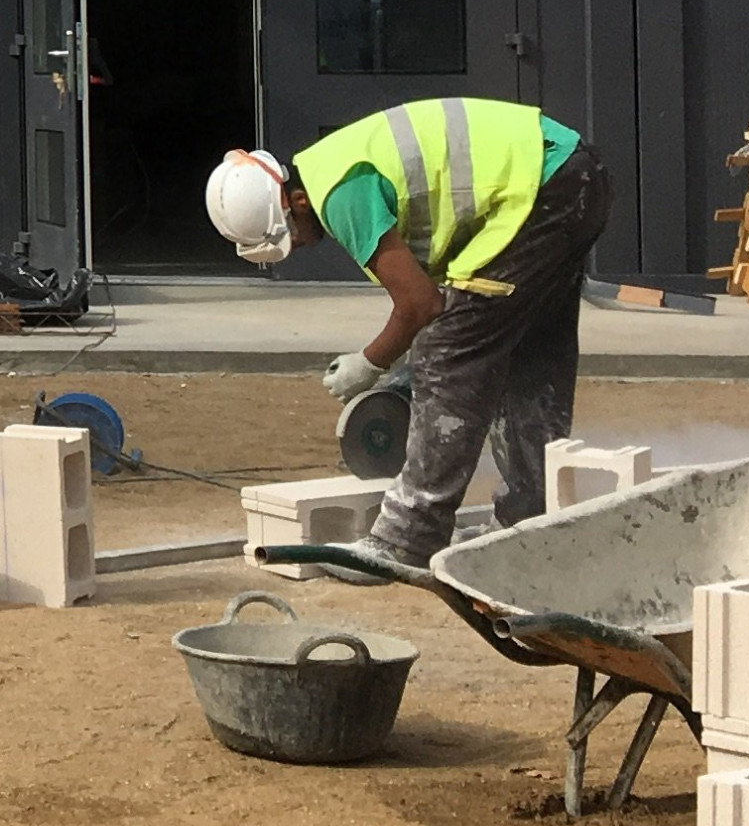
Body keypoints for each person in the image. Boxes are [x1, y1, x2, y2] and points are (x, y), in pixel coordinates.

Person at [204, 99, 614, 568]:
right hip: (570, 175)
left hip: (541, 189)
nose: (296, 244)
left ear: (294, 202)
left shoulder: (340, 195)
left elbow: (421, 303)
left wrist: (371, 361)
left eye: (290, 234)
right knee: (526, 355)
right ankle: (531, 525)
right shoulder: (334, 167)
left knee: (449, 354)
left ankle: (408, 539)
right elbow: (439, 299)